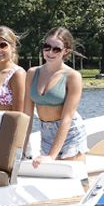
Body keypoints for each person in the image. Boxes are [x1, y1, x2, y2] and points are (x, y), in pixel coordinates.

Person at [23, 27, 88, 168]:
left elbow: (67, 118)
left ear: (66, 51)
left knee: (70, 175)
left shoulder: (72, 76)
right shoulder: (32, 73)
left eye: (56, 49)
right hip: (46, 132)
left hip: (70, 132)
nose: (50, 52)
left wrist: (51, 156)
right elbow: (27, 115)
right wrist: (21, 147)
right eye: (47, 47)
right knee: (49, 175)